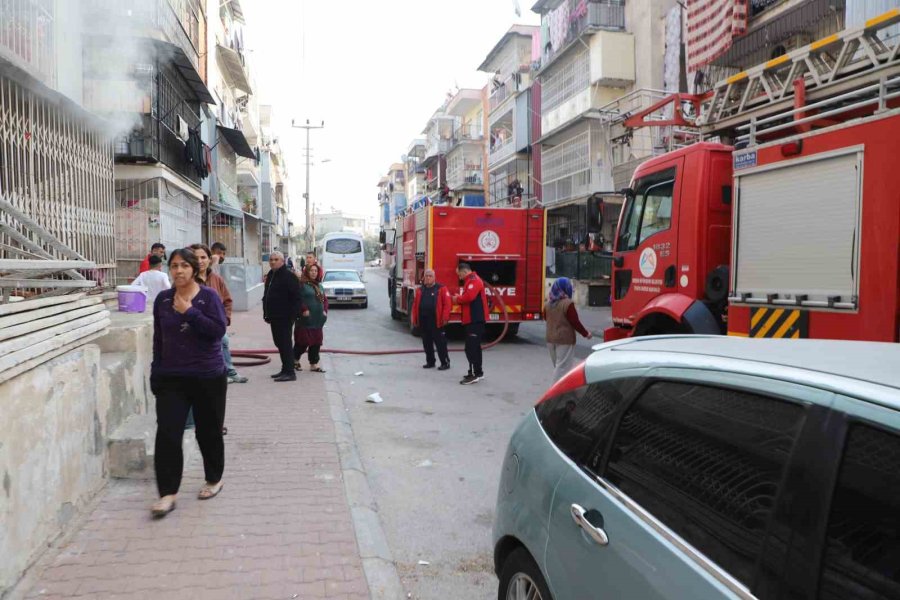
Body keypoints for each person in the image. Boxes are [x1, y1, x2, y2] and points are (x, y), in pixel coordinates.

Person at [149, 248, 228, 517]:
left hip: (208, 376)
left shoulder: (209, 297)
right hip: (172, 378)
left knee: (208, 432)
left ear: (194, 269)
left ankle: (214, 479)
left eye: (184, 265)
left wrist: (190, 312)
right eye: (174, 266)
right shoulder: (162, 300)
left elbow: (218, 331)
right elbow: (159, 340)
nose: (179, 270)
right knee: (167, 434)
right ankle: (167, 493)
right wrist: (156, 373)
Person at [191, 243, 247, 385]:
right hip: (197, 324)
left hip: (216, 323)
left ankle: (229, 372)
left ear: (209, 259)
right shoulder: (188, 280)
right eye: (196, 258)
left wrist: (225, 319)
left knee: (224, 342)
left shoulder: (216, 279)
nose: (200, 261)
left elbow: (227, 300)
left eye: (203, 257)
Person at [263, 251, 302, 382]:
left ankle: (290, 372)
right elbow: (267, 295)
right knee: (279, 343)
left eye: (276, 259)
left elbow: (297, 297)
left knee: (285, 343)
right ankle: (285, 369)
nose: (273, 262)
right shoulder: (271, 275)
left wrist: (293, 316)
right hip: (274, 316)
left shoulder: (288, 276)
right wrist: (266, 314)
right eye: (271, 260)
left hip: (285, 317)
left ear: (282, 261)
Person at [544, 277, 592, 382]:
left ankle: (564, 388)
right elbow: (575, 322)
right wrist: (586, 334)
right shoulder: (568, 304)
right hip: (564, 340)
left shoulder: (548, 304)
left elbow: (545, 318)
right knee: (562, 368)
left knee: (558, 366)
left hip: (550, 339)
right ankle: (555, 390)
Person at [451, 262, 489, 385]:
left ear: (464, 271)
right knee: (475, 347)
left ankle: (474, 374)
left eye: (459, 274)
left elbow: (469, 297)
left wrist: (457, 299)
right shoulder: (470, 281)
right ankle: (479, 372)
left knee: (470, 348)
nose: (459, 277)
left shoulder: (474, 281)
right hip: (472, 320)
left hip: (475, 320)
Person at [412, 269, 451, 370]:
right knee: (427, 343)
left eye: (430, 276)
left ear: (434, 277)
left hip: (437, 321)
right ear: (424, 277)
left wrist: (445, 317)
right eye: (426, 276)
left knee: (440, 343)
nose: (428, 278)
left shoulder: (441, 289)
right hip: (424, 321)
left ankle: (445, 363)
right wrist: (414, 319)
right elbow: (415, 306)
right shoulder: (420, 290)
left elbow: (447, 304)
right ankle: (430, 362)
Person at [294, 264, 328, 373]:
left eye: (316, 271)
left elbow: (325, 300)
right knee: (302, 342)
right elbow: (297, 298)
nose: (314, 273)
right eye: (311, 270)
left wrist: (325, 311)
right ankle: (294, 360)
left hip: (318, 320)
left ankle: (313, 364)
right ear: (307, 272)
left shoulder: (319, 286)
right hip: (305, 319)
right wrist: (304, 309)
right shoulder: (301, 284)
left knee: (316, 343)